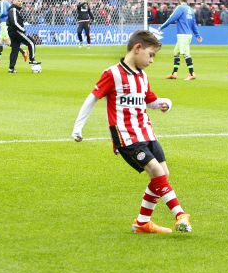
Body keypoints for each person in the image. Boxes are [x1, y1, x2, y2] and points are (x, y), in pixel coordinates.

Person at [71, 30, 192, 234]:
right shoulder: (112, 74)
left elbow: (150, 101)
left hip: (146, 132)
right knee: (155, 171)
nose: (152, 60)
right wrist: (78, 126)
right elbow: (93, 97)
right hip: (126, 136)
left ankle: (142, 223)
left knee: (163, 174)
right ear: (137, 48)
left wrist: (165, 103)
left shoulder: (142, 76)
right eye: (150, 54)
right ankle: (179, 213)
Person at [159, 0, 203, 81]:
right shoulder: (190, 10)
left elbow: (171, 18)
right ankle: (174, 73)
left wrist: (162, 26)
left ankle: (192, 73)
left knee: (186, 53)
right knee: (176, 52)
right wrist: (197, 35)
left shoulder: (180, 8)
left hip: (183, 35)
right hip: (187, 34)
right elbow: (193, 24)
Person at [6, 0, 41, 73]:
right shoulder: (13, 10)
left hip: (12, 31)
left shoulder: (14, 10)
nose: (20, 2)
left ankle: (11, 69)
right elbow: (14, 22)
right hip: (16, 31)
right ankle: (32, 60)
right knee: (31, 42)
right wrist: (22, 29)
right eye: (18, 1)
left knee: (15, 49)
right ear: (14, 0)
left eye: (21, 1)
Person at [0, 0, 27, 64]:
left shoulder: (3, 2)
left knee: (8, 43)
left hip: (4, 23)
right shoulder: (7, 3)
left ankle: (23, 52)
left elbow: (3, 13)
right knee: (0, 41)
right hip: (5, 23)